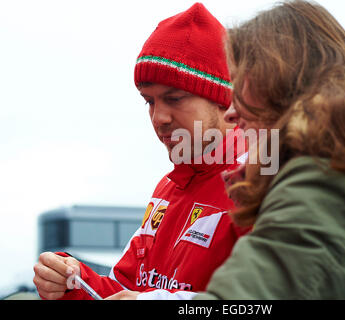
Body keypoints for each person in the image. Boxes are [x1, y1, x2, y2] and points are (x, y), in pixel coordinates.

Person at [137, 0, 345, 300]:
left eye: (242, 81)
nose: (232, 111)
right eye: (148, 101)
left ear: (280, 84)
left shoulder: (323, 186)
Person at [32, 2, 248, 300]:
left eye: (174, 99)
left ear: (222, 99)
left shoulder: (263, 181)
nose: (159, 118)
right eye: (149, 101)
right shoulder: (168, 188)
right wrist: (75, 283)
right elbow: (126, 290)